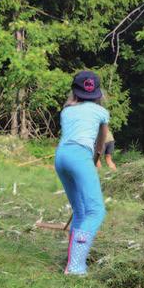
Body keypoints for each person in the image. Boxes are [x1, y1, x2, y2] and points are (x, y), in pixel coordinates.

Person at [55, 70, 110, 276]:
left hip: (61, 157)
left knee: (80, 211)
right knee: (96, 211)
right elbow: (101, 144)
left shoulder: (66, 110)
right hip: (80, 157)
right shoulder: (101, 112)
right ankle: (76, 267)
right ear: (97, 93)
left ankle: (72, 261)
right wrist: (98, 153)